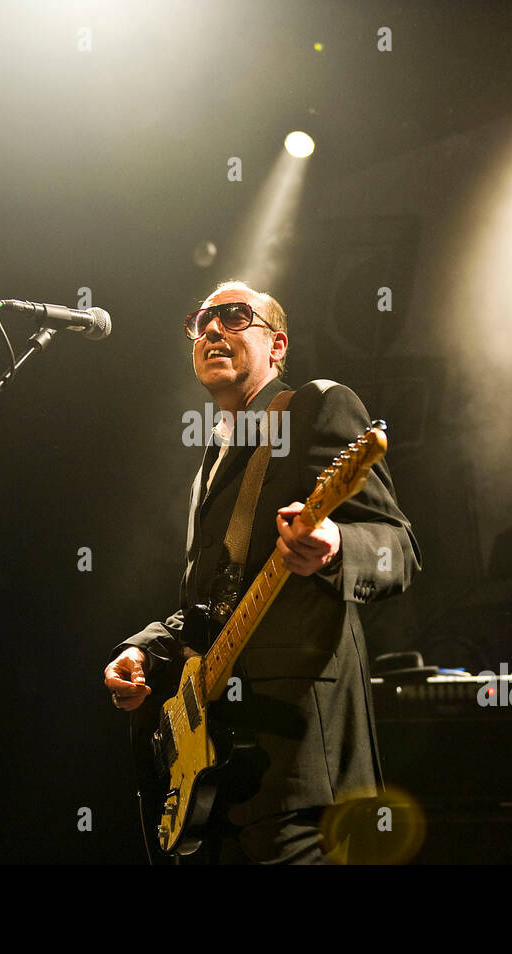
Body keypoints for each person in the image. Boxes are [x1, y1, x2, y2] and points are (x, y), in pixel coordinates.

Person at [103, 280, 419, 864]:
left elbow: (397, 547)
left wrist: (334, 545)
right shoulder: (211, 464)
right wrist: (146, 651)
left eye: (234, 316)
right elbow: (213, 606)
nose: (212, 329)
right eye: (201, 321)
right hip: (220, 778)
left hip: (301, 771)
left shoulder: (316, 407)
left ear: (277, 346)